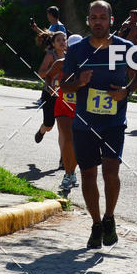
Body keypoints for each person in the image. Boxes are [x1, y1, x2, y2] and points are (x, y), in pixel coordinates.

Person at [61, 0, 137, 248]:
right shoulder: (77, 51)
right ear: (88, 20)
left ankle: (109, 217)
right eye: (93, 17)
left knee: (111, 173)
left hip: (113, 122)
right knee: (88, 174)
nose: (98, 21)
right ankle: (96, 224)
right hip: (84, 124)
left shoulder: (125, 47)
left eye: (102, 16)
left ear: (111, 19)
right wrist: (78, 82)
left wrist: (127, 91)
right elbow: (63, 84)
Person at [54, 33, 82, 192]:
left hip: (80, 108)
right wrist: (50, 87)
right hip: (63, 106)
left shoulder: (87, 65)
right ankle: (67, 173)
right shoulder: (61, 63)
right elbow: (47, 74)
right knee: (67, 139)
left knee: (76, 142)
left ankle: (72, 173)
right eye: (73, 49)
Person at [34, 30, 61, 145]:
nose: (62, 42)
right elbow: (41, 73)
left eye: (64, 39)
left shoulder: (70, 54)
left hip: (63, 94)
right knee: (49, 125)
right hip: (49, 93)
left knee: (65, 125)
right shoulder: (51, 55)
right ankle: (42, 130)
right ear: (53, 44)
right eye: (59, 40)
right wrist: (54, 69)